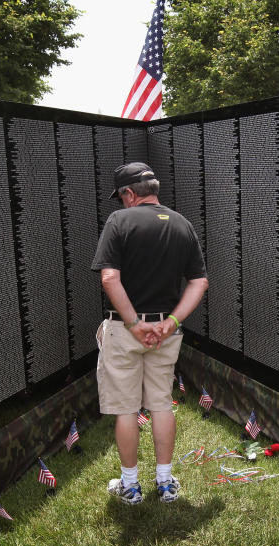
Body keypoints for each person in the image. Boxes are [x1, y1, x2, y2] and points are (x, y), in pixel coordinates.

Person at [92, 162, 208, 504]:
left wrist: (133, 324)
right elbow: (199, 281)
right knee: (161, 405)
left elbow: (110, 278)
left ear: (129, 193)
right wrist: (170, 323)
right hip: (164, 332)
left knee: (127, 410)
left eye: (121, 196)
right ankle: (165, 483)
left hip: (126, 330)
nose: (121, 203)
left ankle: (130, 487)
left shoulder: (119, 221)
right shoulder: (182, 224)